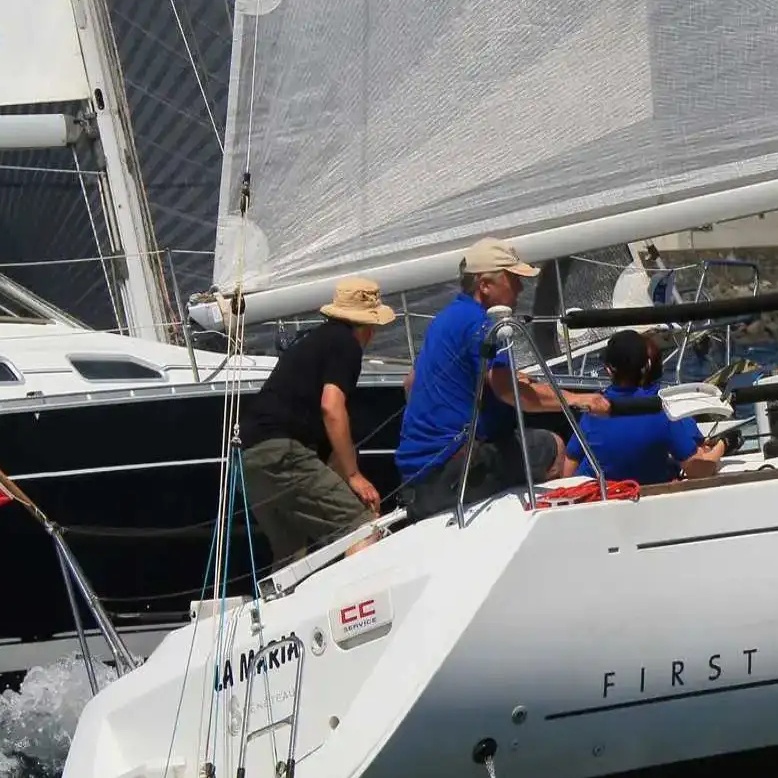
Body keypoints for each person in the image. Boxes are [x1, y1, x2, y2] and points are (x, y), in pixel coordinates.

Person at [397, 237, 609, 517]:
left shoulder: (446, 318)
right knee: (553, 447)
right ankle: (557, 522)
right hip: (453, 474)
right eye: (513, 279)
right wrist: (578, 399)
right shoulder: (483, 324)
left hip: (416, 478)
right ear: (485, 285)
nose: (521, 287)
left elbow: (410, 384)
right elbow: (509, 392)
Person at [240, 277, 395, 563]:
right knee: (360, 527)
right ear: (368, 327)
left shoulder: (312, 342)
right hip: (283, 450)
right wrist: (354, 476)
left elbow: (328, 451)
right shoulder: (346, 344)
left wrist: (348, 483)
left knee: (291, 554)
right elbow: (331, 408)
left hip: (251, 458)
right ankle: (365, 588)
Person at [569, 329, 730, 486]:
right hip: (647, 492)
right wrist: (725, 443)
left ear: (609, 370)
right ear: (646, 366)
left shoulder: (593, 411)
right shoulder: (662, 411)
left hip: (600, 493)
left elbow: (569, 466)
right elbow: (698, 470)